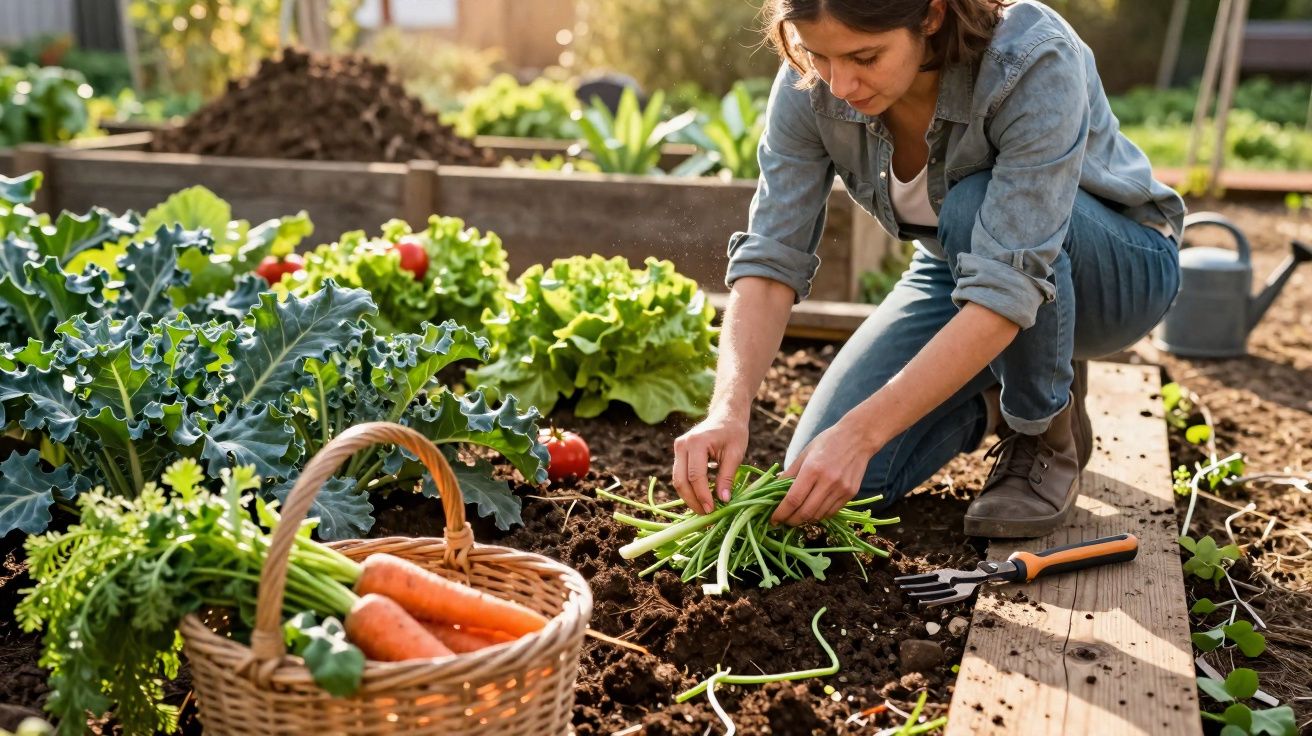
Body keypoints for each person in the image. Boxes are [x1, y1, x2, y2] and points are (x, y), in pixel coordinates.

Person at [670, 0, 1184, 538]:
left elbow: (1008, 284)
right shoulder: (811, 81)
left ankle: (1043, 432)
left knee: (969, 205)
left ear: (932, 15)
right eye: (818, 55)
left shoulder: (1031, 56)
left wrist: (862, 431)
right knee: (832, 482)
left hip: (1120, 273)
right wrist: (729, 408)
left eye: (865, 56)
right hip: (957, 269)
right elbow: (771, 256)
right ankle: (990, 391)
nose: (840, 83)